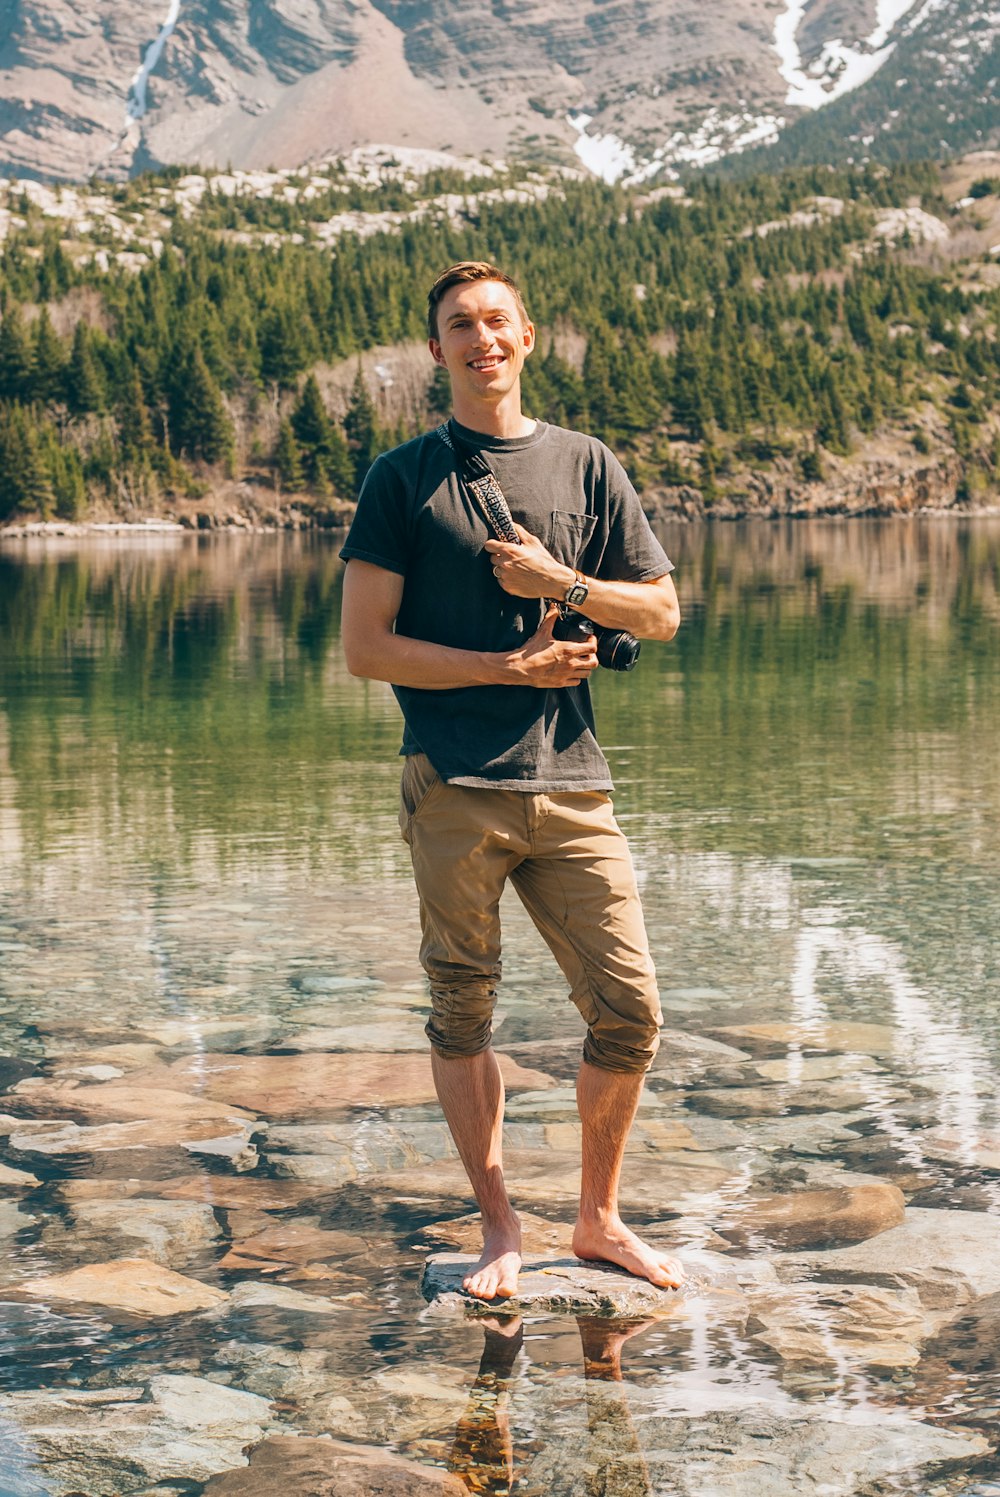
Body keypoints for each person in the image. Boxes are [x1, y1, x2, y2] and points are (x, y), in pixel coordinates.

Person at [340, 261, 683, 1300]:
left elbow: (660, 612)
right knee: (462, 1011)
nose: (480, 339)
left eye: (496, 321)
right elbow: (367, 649)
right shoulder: (402, 480)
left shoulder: (587, 467)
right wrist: (507, 667)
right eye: (458, 326)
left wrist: (563, 586)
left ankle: (597, 1220)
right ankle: (499, 1232)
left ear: (527, 337)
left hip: (572, 782)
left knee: (629, 1011)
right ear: (437, 350)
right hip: (453, 782)